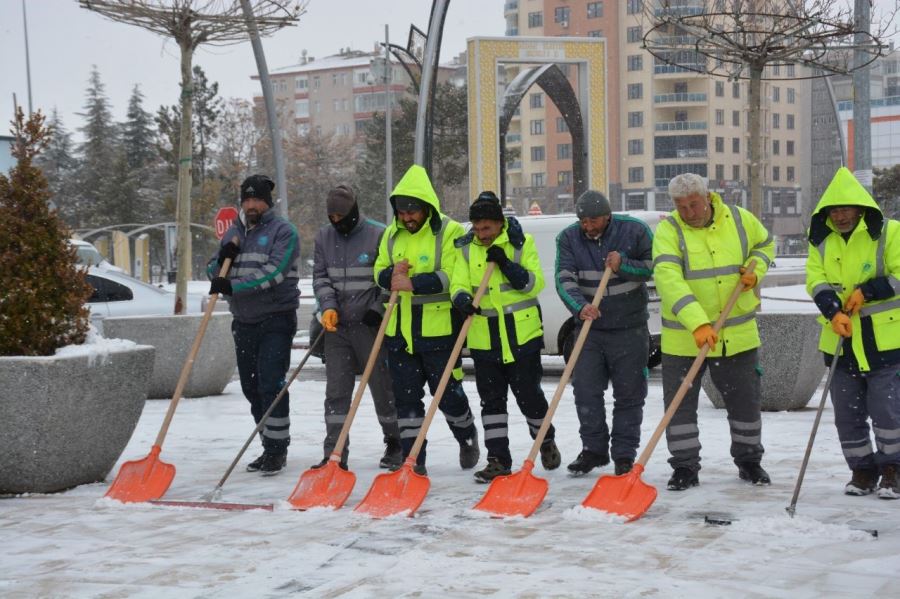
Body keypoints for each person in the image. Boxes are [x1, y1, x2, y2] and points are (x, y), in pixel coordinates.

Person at [652, 173, 774, 490]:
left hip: (738, 334)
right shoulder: (668, 230)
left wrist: (756, 269)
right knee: (679, 406)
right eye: (681, 207)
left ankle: (750, 462)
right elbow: (668, 279)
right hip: (684, 338)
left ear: (708, 197)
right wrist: (698, 322)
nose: (689, 212)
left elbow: (765, 244)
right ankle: (684, 467)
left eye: (694, 204)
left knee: (745, 403)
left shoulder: (739, 218)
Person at [373, 165, 479, 475]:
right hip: (400, 333)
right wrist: (389, 276)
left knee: (448, 395)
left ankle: (466, 434)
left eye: (413, 211)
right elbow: (378, 271)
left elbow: (456, 274)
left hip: (440, 332)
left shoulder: (451, 232)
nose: (407, 217)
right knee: (406, 401)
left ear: (427, 207)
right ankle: (413, 459)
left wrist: (415, 283)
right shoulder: (391, 234)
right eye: (402, 211)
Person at [450, 192, 561, 483]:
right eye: (476, 227)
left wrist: (507, 265)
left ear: (499, 224)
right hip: (484, 338)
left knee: (530, 397)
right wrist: (462, 299)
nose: (481, 233)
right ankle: (498, 459)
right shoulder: (463, 250)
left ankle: (544, 439)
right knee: (492, 403)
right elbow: (458, 283)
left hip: (521, 336)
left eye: (486, 228)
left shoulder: (520, 244)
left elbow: (533, 283)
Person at [805, 167, 900, 499]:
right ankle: (862, 470)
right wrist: (832, 310)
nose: (840, 215)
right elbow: (814, 280)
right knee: (847, 416)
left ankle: (893, 470)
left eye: (845, 208)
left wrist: (870, 290)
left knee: (889, 414)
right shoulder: (820, 241)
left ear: (861, 208)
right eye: (834, 209)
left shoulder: (890, 233)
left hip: (886, 343)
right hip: (840, 343)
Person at [555, 190, 654, 476]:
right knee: (586, 392)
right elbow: (564, 279)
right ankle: (593, 451)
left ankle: (624, 454)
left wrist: (623, 264)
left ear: (608, 216)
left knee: (629, 394)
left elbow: (651, 268)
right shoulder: (568, 238)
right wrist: (580, 306)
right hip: (589, 329)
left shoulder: (634, 231)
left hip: (630, 328)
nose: (588, 226)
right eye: (583, 221)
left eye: (594, 220)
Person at [207, 174, 300, 475]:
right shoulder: (234, 233)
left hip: (275, 318)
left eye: (256, 199)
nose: (251, 205)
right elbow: (214, 269)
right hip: (243, 321)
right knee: (251, 388)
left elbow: (274, 273)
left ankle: (277, 449)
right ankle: (266, 442)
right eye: (246, 199)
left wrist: (232, 287)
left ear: (267, 202)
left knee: (270, 383)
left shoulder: (283, 232)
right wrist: (224, 256)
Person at [311, 185, 402, 471]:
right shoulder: (324, 237)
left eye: (341, 215)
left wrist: (378, 308)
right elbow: (321, 276)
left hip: (370, 327)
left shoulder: (379, 233)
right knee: (336, 392)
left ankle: (395, 442)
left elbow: (389, 278)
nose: (336, 221)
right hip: (337, 328)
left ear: (354, 211)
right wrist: (327, 306)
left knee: (382, 389)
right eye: (331, 216)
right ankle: (334, 453)